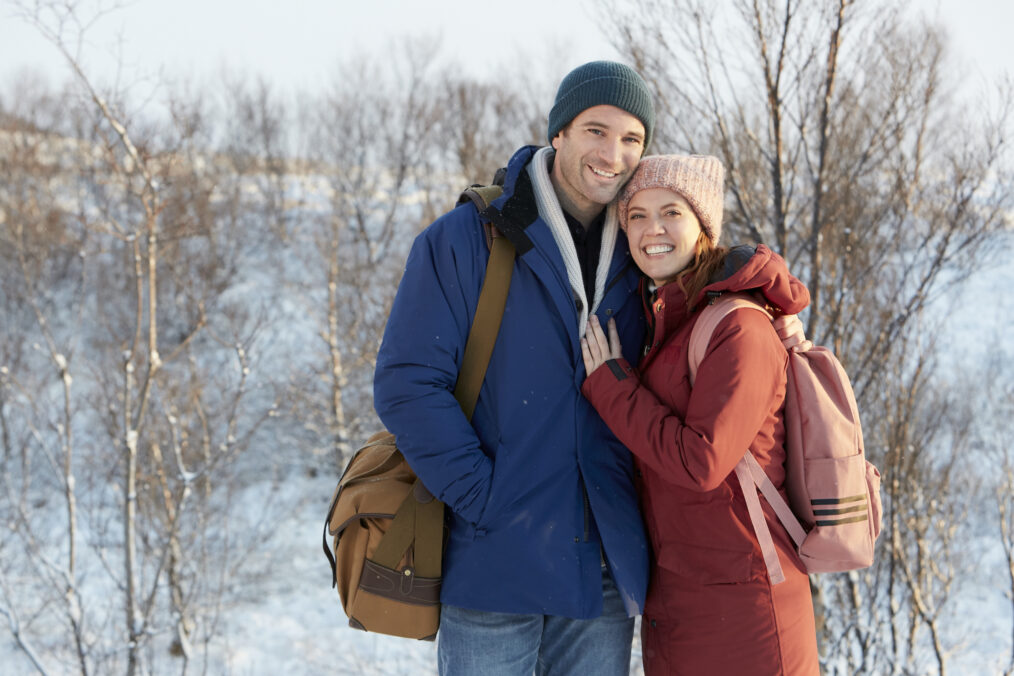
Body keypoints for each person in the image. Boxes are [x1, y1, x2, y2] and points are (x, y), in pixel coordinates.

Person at [373, 61, 656, 675]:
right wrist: (486, 498)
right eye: (595, 131)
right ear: (559, 133)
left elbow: (714, 303)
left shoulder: (646, 251)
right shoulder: (465, 240)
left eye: (632, 139)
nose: (613, 153)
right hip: (497, 562)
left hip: (602, 573)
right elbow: (407, 382)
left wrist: (773, 310)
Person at [580, 154, 821, 675]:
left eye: (671, 212)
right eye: (637, 216)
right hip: (681, 602)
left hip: (746, 607)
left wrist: (611, 385)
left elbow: (702, 462)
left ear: (703, 227)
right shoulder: (667, 322)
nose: (652, 230)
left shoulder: (740, 328)